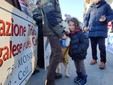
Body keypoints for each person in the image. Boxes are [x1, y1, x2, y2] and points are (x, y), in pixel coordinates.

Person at [42, 0, 67, 85]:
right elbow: (51, 19)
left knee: (54, 53)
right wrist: (61, 32)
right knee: (57, 54)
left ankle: (52, 75)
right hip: (52, 31)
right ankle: (50, 81)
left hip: (52, 30)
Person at [83, 0, 113, 69]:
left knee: (102, 46)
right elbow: (86, 18)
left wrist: (106, 18)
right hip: (92, 30)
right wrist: (85, 26)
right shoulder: (90, 7)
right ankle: (94, 59)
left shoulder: (106, 6)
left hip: (101, 30)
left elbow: (111, 15)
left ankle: (102, 61)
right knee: (93, 46)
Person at [67, 17, 89, 85]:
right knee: (77, 67)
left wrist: (79, 50)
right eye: (70, 25)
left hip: (80, 54)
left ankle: (84, 79)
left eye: (73, 25)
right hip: (74, 54)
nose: (71, 27)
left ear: (76, 25)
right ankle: (79, 76)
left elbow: (85, 43)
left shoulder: (80, 33)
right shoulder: (70, 34)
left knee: (81, 66)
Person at [32, 0, 45, 69]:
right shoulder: (36, 9)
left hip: (43, 30)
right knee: (40, 47)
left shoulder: (42, 10)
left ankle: (43, 61)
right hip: (39, 31)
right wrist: (44, 18)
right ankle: (40, 63)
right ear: (38, 3)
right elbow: (36, 18)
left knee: (43, 47)